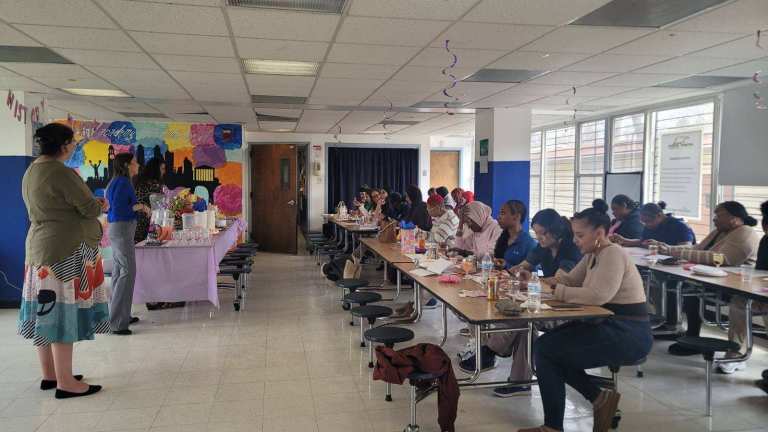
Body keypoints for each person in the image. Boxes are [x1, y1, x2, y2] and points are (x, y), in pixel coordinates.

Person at [518, 207, 652, 432]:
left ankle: (560, 422)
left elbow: (599, 295)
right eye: (574, 235)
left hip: (628, 332)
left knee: (547, 350)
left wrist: (555, 290)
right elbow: (570, 281)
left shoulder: (613, 253)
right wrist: (534, 281)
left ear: (599, 233)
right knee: (547, 349)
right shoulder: (593, 255)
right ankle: (598, 399)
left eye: (580, 235)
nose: (575, 240)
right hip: (605, 324)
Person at [18, 123, 109, 399]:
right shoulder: (61, 172)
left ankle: (51, 374)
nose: (73, 147)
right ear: (64, 145)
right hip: (64, 252)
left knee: (45, 313)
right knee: (61, 314)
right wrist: (100, 205)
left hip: (39, 248)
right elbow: (89, 207)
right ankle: (66, 382)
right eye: (72, 143)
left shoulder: (33, 170)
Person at [461, 209, 581, 396]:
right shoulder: (543, 247)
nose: (539, 238)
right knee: (525, 323)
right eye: (537, 233)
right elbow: (522, 266)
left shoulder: (570, 250)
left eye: (542, 234)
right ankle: (521, 381)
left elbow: (560, 280)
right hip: (549, 300)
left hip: (569, 308)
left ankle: (490, 350)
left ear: (555, 232)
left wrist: (532, 280)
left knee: (521, 316)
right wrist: (514, 273)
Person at [651, 201, 760, 356]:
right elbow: (697, 249)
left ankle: (735, 352)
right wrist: (669, 248)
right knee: (689, 291)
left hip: (735, 286)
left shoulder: (745, 232)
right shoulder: (719, 231)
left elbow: (722, 259)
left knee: (691, 293)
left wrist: (678, 253)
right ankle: (690, 336)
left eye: (718, 215)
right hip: (712, 279)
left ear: (734, 218)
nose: (714, 219)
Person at [718, 200, 768, 374]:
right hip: (762, 291)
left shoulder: (746, 234)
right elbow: (761, 271)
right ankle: (736, 353)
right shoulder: (766, 241)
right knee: (740, 302)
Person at [106, 153, 150, 335]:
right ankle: (118, 323)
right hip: (123, 229)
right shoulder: (123, 183)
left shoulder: (116, 181)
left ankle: (121, 315)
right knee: (127, 273)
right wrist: (142, 207)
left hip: (118, 229)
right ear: (126, 165)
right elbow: (120, 209)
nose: (137, 164)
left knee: (119, 273)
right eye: (134, 162)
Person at [612, 201, 695, 247]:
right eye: (643, 222)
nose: (646, 225)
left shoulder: (680, 226)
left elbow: (687, 247)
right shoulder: (648, 226)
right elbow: (642, 241)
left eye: (648, 221)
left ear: (659, 215)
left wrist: (661, 246)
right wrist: (624, 240)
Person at [493, 200, 537, 269]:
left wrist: (506, 266)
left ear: (516, 217)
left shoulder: (529, 243)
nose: (498, 217)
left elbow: (532, 275)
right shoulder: (502, 237)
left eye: (503, 213)